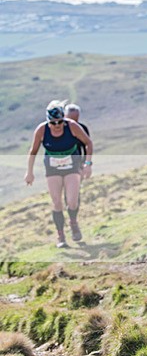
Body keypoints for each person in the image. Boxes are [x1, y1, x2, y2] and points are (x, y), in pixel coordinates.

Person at [25, 100, 93, 247]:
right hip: (53, 168)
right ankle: (61, 236)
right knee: (57, 202)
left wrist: (87, 164)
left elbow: (88, 143)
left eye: (59, 122)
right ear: (48, 121)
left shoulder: (72, 126)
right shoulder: (42, 130)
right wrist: (29, 172)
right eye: (53, 123)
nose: (56, 126)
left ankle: (73, 222)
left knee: (72, 200)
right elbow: (33, 151)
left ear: (64, 119)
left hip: (72, 166)